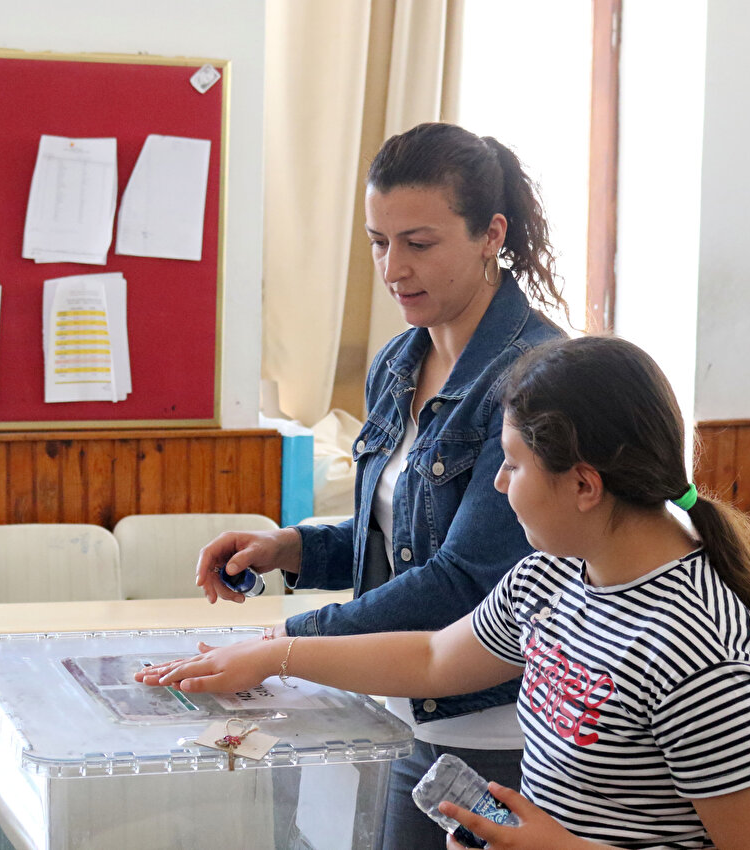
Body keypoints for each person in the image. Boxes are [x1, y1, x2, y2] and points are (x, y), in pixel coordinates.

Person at [141, 336, 750, 850]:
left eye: (515, 465)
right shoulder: (554, 576)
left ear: (585, 485)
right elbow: (436, 658)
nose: (499, 485)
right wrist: (275, 655)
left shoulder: (698, 648)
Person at [193, 122, 566, 848]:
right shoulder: (398, 360)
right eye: (377, 242)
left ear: (491, 234)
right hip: (391, 704)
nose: (393, 268)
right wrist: (291, 548)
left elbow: (464, 582)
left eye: (418, 243)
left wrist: (284, 642)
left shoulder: (536, 378)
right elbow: (397, 539)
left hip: (492, 728)